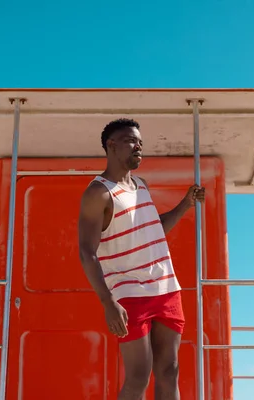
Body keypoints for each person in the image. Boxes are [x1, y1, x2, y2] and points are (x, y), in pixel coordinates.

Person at [78, 118, 204, 399]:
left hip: (167, 288)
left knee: (169, 370)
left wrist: (185, 204)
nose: (139, 147)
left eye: (140, 143)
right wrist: (107, 301)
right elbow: (86, 251)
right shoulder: (98, 192)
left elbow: (152, 227)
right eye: (131, 141)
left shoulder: (141, 185)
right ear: (111, 146)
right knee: (138, 377)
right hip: (129, 292)